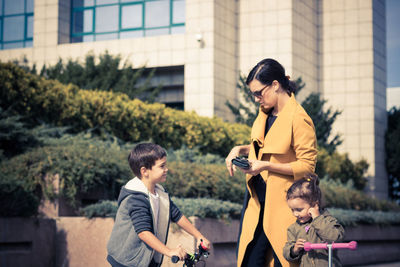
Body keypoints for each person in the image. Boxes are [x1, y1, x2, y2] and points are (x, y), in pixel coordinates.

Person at [225, 58, 318, 267]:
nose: (257, 99)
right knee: (249, 260)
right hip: (257, 203)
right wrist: (239, 149)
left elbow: (307, 166)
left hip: (284, 208)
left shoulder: (299, 118)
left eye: (259, 92)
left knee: (281, 261)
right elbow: (267, 149)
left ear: (275, 85)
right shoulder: (265, 115)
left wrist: (266, 166)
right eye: (253, 95)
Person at [107, 143, 211, 267]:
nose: (166, 169)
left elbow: (176, 215)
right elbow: (144, 232)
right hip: (128, 261)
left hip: (148, 259)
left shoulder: (160, 193)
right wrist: (170, 251)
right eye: (162, 166)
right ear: (144, 171)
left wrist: (199, 236)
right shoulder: (136, 198)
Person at [283, 174, 345, 267]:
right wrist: (294, 250)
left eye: (299, 210)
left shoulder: (327, 220)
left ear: (314, 205)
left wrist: (317, 219)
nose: (295, 214)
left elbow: (336, 237)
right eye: (292, 210)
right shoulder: (294, 228)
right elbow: (287, 250)